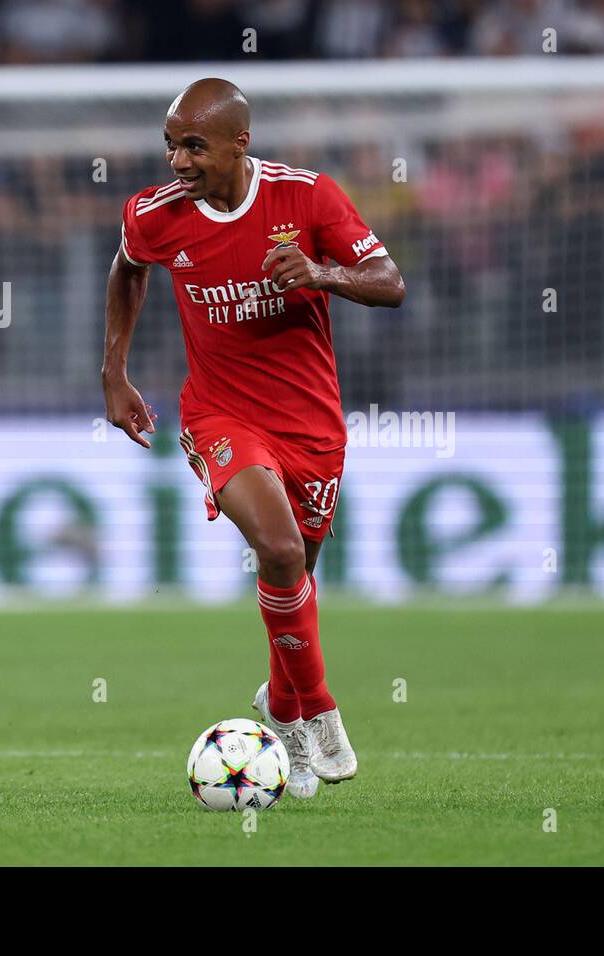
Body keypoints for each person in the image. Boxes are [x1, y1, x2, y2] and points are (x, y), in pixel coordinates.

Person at [101, 78, 405, 798]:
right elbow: (127, 270)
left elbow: (390, 282)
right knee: (277, 548)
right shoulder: (155, 215)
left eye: (193, 146)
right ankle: (318, 715)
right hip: (219, 415)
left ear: (241, 142)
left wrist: (323, 273)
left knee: (297, 574)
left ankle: (282, 703)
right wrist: (114, 372)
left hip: (311, 422)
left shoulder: (307, 199)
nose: (177, 161)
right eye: (170, 145)